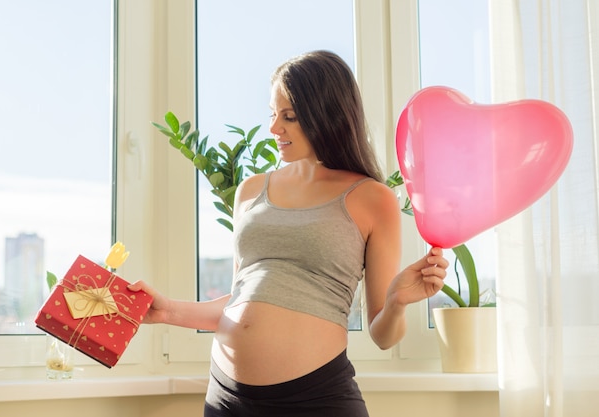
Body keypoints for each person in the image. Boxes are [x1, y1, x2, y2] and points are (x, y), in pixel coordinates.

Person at [128, 50, 449, 417]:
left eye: (289, 117)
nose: (274, 128)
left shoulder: (371, 198)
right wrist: (167, 310)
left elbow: (383, 336)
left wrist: (395, 303)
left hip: (314, 401)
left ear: (325, 115)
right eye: (272, 113)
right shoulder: (250, 191)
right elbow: (241, 300)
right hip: (227, 399)